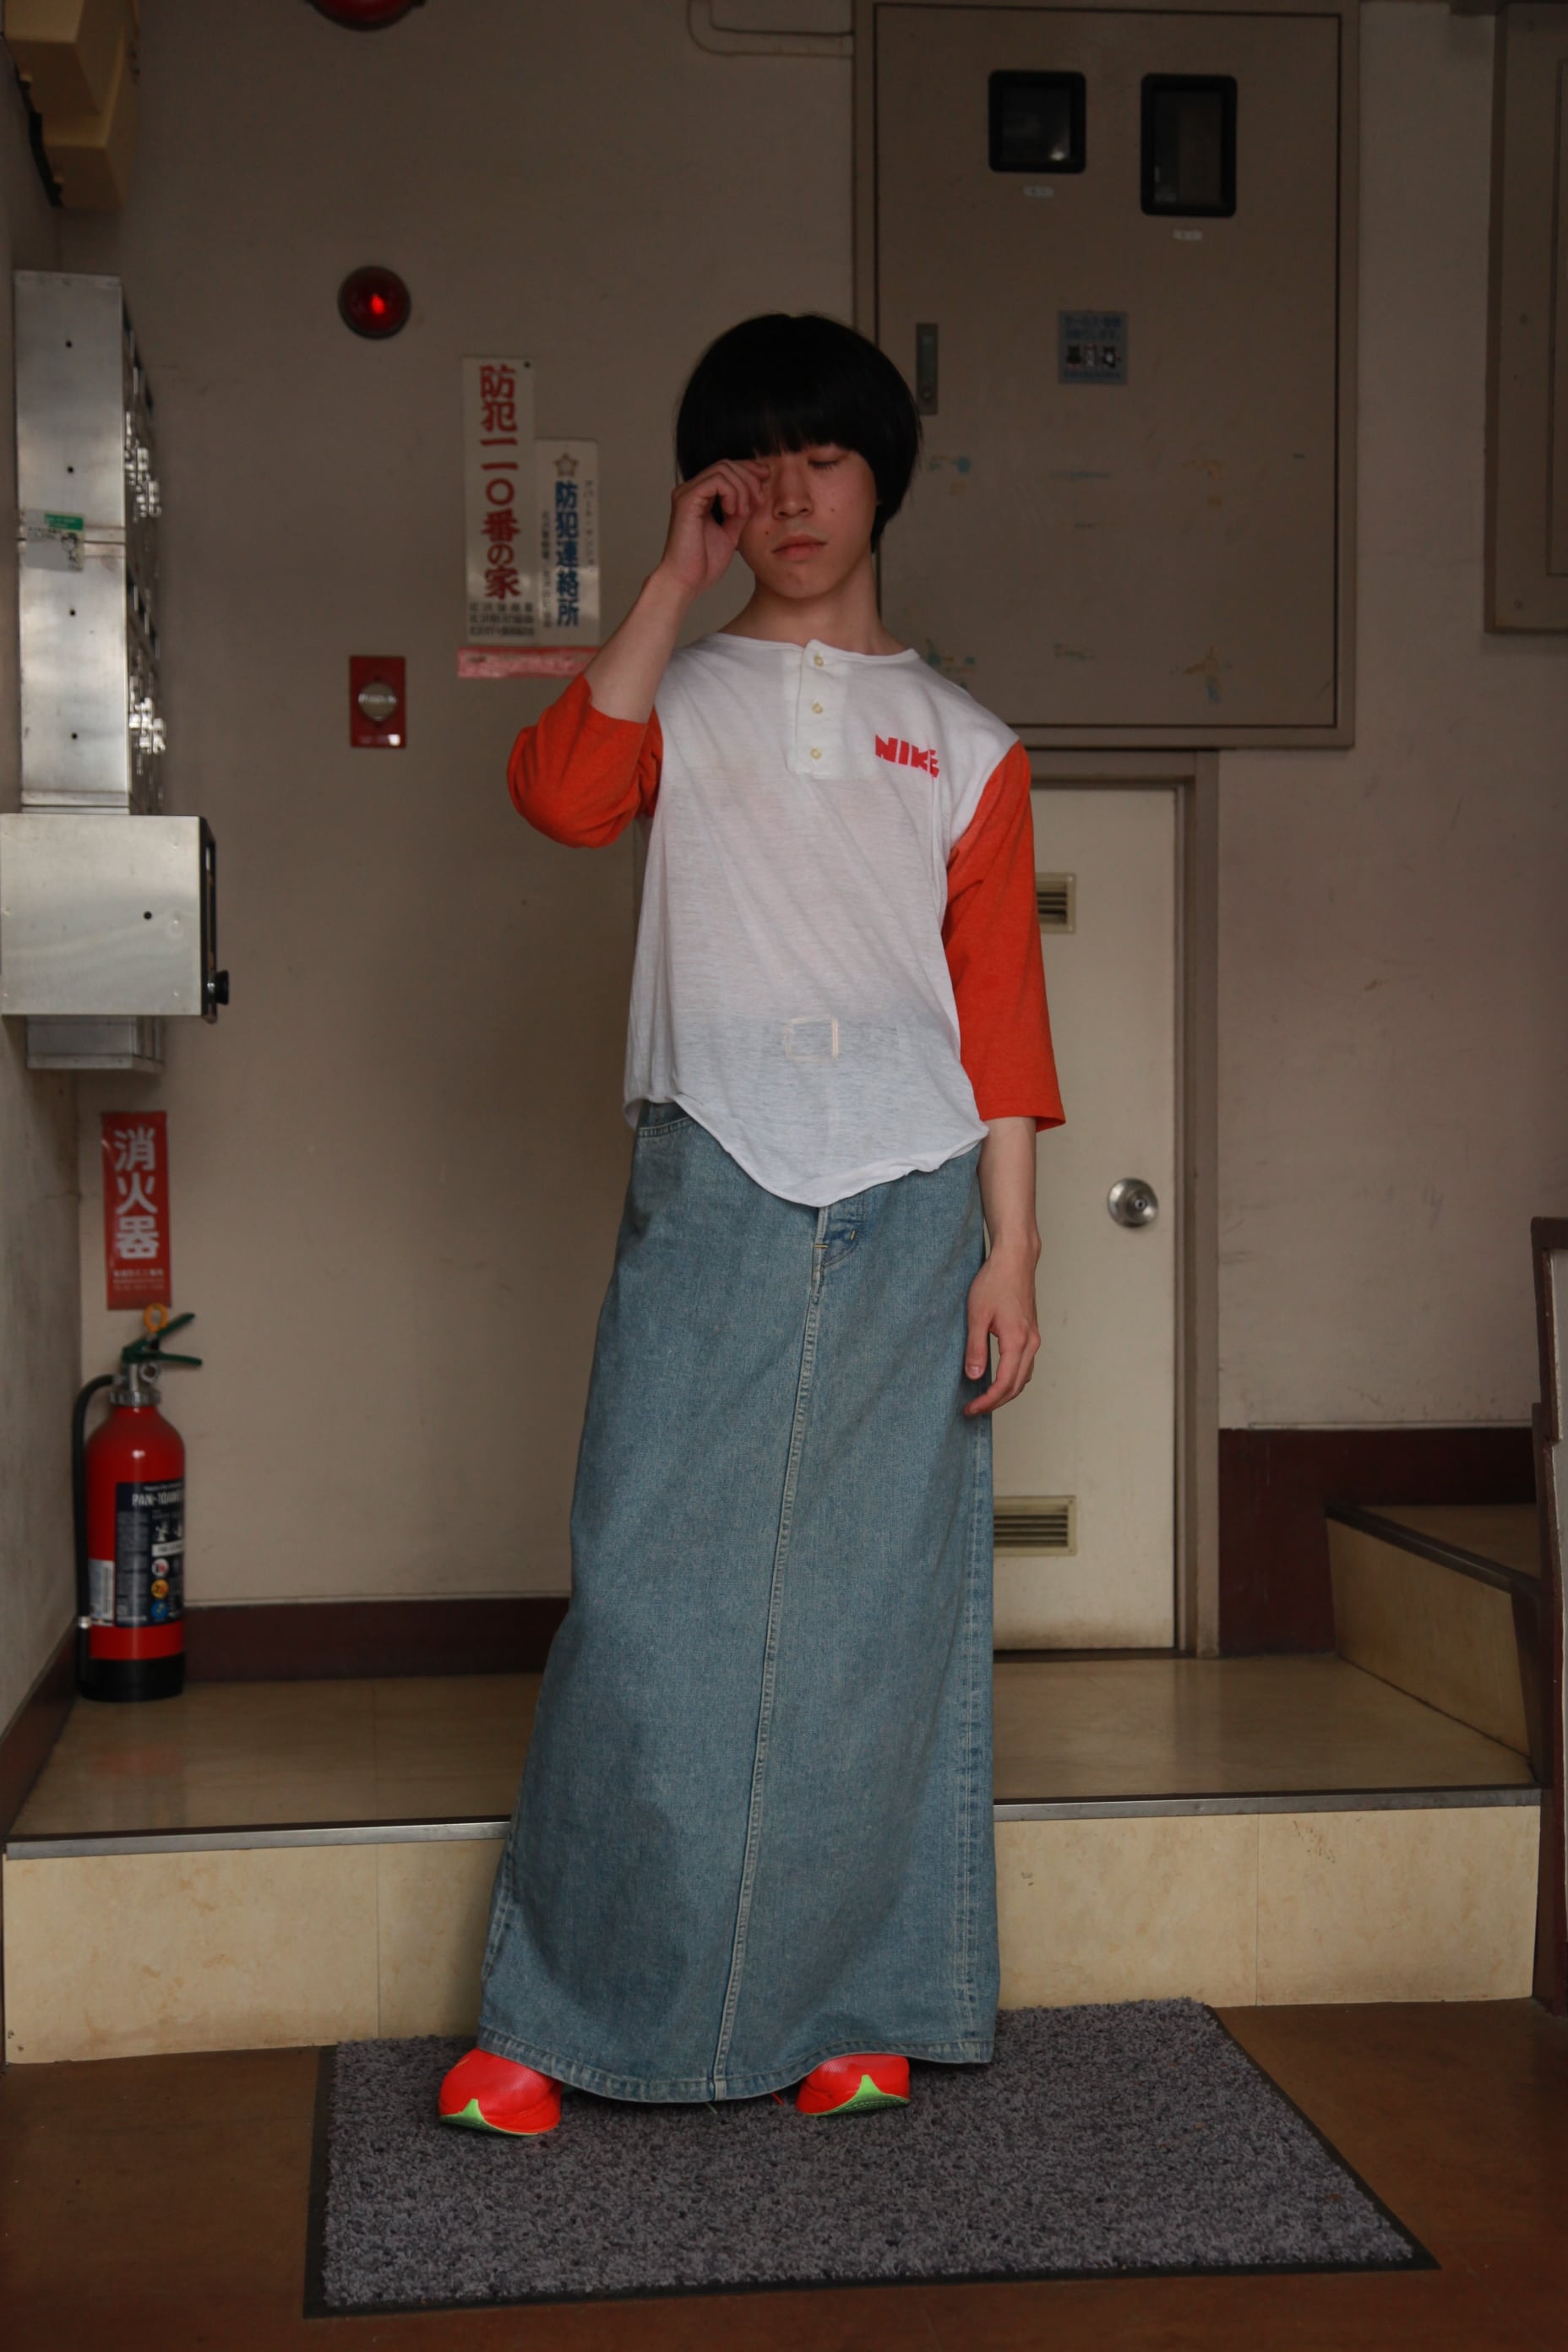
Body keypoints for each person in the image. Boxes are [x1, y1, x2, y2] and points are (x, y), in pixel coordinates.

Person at [438, 313, 1063, 2137]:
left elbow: (1001, 1019)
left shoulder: (964, 740)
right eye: (754, 465)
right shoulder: (676, 692)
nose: (792, 496)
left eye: (825, 459)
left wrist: (1013, 1248)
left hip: (917, 1194)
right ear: (713, 489)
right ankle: (554, 2023)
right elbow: (560, 798)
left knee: (878, 1615)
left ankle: (862, 2008)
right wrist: (665, 587)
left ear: (884, 479)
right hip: (711, 1168)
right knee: (645, 1593)